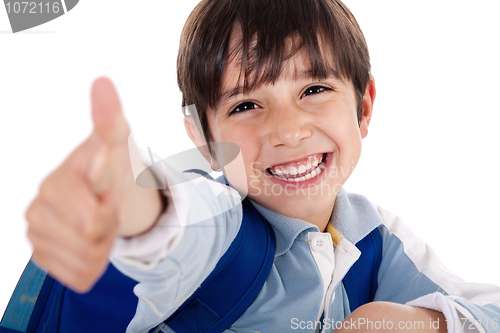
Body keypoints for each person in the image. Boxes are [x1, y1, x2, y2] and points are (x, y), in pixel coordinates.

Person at [24, 0, 500, 332]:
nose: (289, 130)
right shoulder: (220, 218)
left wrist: (428, 323)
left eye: (313, 90)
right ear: (204, 141)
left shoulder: (373, 235)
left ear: (364, 107)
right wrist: (128, 208)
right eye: (246, 105)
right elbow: (174, 227)